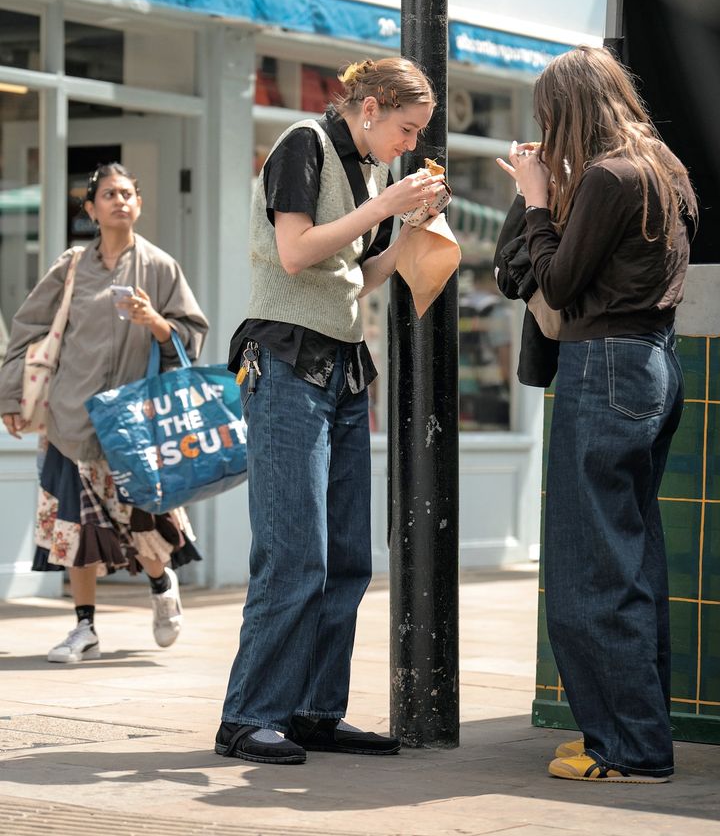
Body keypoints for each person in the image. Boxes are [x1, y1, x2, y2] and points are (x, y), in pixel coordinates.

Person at [217, 56, 446, 765]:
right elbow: (294, 254)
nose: (407, 145)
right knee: (294, 555)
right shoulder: (302, 144)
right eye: (405, 128)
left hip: (343, 370)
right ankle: (249, 717)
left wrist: (407, 233)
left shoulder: (371, 174)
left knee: (347, 557)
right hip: (286, 365)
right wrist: (381, 209)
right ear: (370, 107)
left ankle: (314, 710)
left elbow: (353, 277)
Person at [496, 46, 697, 784]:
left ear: (569, 110)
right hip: (652, 366)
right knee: (630, 561)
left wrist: (539, 199)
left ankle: (625, 748)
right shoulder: (665, 169)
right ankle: (635, 737)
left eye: (550, 113)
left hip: (605, 365)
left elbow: (556, 278)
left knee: (590, 568)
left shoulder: (610, 179)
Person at [0, 163, 209, 663]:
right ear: (91, 209)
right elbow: (28, 328)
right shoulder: (71, 266)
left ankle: (161, 586)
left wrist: (155, 322)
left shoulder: (159, 267)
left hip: (134, 425)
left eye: (127, 193)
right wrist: (11, 396)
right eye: (108, 195)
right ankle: (85, 628)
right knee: (74, 529)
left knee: (142, 526)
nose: (119, 201)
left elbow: (190, 338)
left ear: (138, 204)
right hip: (70, 419)